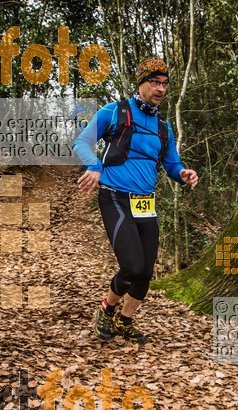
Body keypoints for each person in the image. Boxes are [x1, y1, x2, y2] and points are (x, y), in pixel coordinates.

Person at [72, 56, 199, 343]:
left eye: (165, 84)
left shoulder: (163, 128)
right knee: (132, 267)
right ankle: (107, 309)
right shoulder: (114, 112)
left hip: (146, 203)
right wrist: (93, 166)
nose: (160, 89)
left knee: (146, 273)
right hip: (115, 197)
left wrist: (184, 174)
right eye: (154, 82)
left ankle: (125, 321)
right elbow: (81, 141)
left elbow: (172, 164)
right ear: (141, 83)